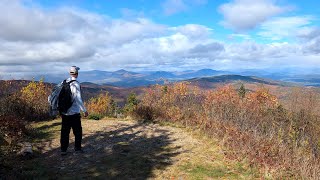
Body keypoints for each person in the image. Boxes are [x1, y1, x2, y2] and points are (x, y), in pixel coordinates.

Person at [60, 66, 88, 156]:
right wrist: (84, 110)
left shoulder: (65, 82)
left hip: (65, 112)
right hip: (74, 113)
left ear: (70, 73)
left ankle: (63, 150)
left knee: (65, 132)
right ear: (77, 74)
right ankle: (77, 148)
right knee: (77, 131)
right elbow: (78, 99)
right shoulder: (75, 84)